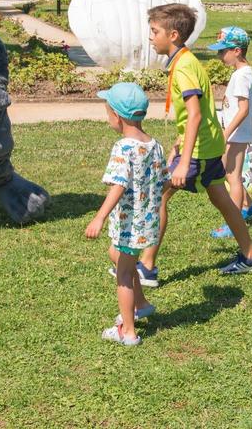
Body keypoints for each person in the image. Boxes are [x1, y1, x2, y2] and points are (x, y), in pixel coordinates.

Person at [137, 3, 252, 286]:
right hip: (208, 146)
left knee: (159, 194)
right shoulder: (185, 61)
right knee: (221, 198)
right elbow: (199, 114)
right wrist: (178, 142)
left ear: (172, 35)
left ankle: (146, 267)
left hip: (198, 152)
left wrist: (184, 161)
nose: (150, 36)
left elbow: (195, 113)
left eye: (154, 31)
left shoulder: (183, 66)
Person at [85, 82, 169, 346]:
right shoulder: (155, 145)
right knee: (120, 256)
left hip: (129, 226)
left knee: (123, 275)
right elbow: (164, 181)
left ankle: (128, 332)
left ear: (117, 117)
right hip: (147, 223)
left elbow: (118, 185)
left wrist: (99, 217)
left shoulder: (123, 148)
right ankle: (141, 304)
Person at [207, 26, 252, 238]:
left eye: (223, 51)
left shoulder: (242, 75)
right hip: (235, 133)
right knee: (230, 175)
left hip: (236, 134)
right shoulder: (242, 72)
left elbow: (243, 109)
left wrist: (226, 133)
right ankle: (250, 205)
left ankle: (234, 220)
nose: (220, 55)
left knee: (233, 177)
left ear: (237, 51)